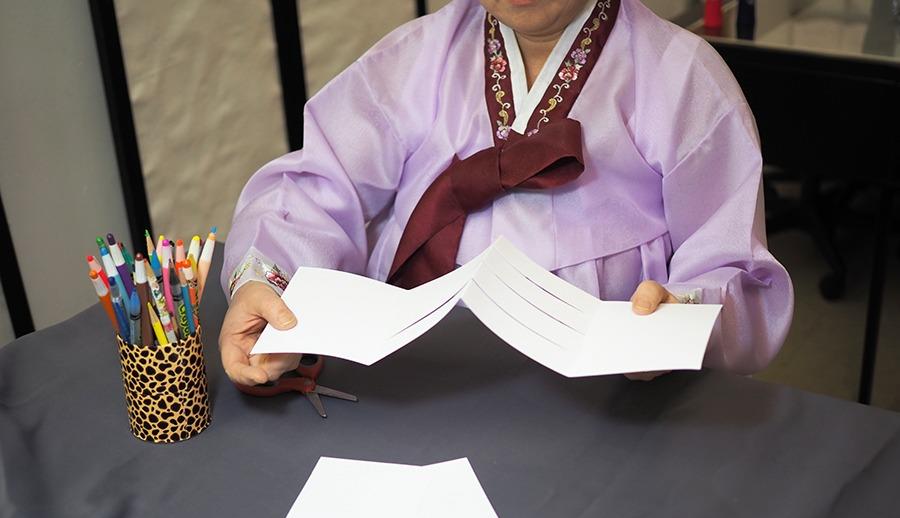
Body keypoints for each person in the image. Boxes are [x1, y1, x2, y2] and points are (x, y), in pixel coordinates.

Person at [219, 0, 793, 386]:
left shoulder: (682, 76)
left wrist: (677, 316)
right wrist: (267, 281)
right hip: (419, 369)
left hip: (604, 387)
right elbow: (316, 186)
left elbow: (730, 263)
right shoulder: (418, 56)